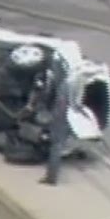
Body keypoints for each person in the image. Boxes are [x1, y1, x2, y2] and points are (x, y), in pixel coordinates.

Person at [41, 50, 71, 186]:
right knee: (59, 143)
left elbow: (55, 99)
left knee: (56, 145)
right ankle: (51, 176)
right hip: (68, 113)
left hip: (62, 113)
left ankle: (51, 177)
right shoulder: (72, 80)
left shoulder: (64, 84)